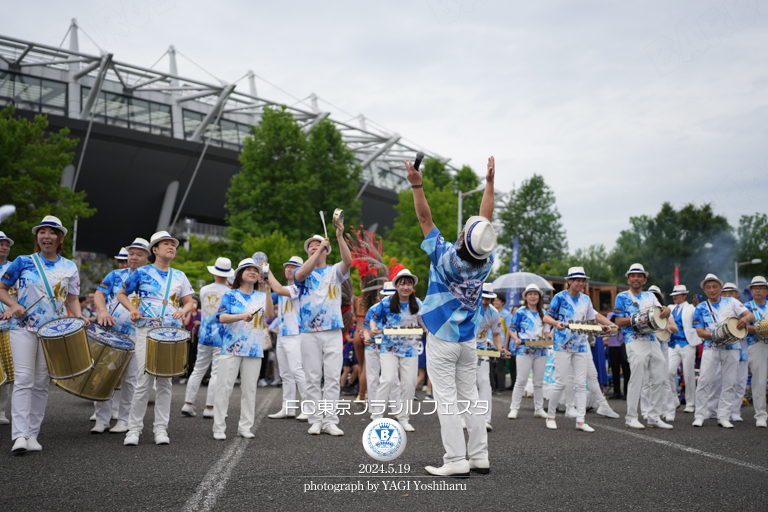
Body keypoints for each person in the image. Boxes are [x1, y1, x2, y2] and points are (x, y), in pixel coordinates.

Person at [406, 155, 496, 477]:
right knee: (470, 396)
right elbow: (485, 223)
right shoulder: (486, 262)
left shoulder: (444, 256)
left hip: (442, 339)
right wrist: (489, 184)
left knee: (446, 400)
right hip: (468, 338)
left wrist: (417, 184)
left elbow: (424, 218)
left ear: (461, 239)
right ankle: (479, 457)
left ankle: (456, 461)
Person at [0, 216, 89, 453]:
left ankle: (32, 434)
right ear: (37, 236)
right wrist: (13, 305)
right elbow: (2, 288)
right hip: (22, 328)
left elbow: (72, 298)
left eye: (52, 233)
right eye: (42, 232)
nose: (46, 237)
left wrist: (78, 315)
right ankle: (19, 436)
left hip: (53, 331)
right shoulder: (23, 261)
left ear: (60, 238)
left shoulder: (69, 266)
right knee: (24, 380)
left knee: (41, 383)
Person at [117, 231, 196, 446]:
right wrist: (133, 309)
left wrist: (184, 310)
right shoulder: (141, 272)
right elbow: (121, 294)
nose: (171, 247)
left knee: (165, 381)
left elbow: (189, 301)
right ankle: (133, 430)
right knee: (144, 379)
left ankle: (161, 429)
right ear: (155, 250)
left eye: (173, 244)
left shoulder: (179, 275)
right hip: (146, 330)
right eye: (166, 244)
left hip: (171, 332)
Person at [291, 221, 352, 436]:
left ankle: (330, 421)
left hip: (333, 330)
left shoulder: (335, 271)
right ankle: (315, 419)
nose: (314, 247)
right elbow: (299, 275)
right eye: (311, 246)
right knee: (312, 377)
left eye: (318, 245)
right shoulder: (302, 271)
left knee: (333, 377)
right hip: (308, 331)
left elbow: (348, 261)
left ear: (327, 249)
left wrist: (339, 237)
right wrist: (317, 255)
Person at [543, 267, 615, 433]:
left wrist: (603, 328)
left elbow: (591, 322)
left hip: (581, 345)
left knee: (581, 384)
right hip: (561, 345)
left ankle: (581, 421)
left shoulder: (586, 299)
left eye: (583, 280)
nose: (580, 283)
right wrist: (556, 324)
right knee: (561, 382)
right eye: (577, 280)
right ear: (569, 281)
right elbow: (546, 317)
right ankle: (551, 416)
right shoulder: (560, 297)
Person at [92, 237, 150, 434]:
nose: (133, 257)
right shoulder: (116, 275)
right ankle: (101, 419)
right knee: (104, 375)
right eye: (131, 253)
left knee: (130, 379)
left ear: (148, 257)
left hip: (137, 334)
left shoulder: (152, 278)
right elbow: (99, 294)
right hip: (111, 332)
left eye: (139, 254)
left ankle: (124, 419)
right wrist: (102, 311)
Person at [212, 258, 273, 440]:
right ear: (239, 274)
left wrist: (268, 290)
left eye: (255, 270)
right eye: (248, 269)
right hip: (230, 348)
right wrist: (240, 316)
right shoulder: (230, 295)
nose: (252, 272)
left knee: (250, 390)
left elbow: (269, 314)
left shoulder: (261, 297)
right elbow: (222, 318)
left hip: (254, 349)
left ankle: (245, 427)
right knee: (224, 388)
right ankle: (218, 427)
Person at [614, 264, 676, 430]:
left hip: (652, 338)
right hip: (633, 339)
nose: (636, 278)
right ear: (628, 279)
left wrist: (666, 310)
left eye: (639, 276)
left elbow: (660, 311)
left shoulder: (650, 296)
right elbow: (619, 322)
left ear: (644, 279)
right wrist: (638, 318)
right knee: (637, 378)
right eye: (633, 276)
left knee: (660, 377)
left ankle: (654, 417)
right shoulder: (622, 297)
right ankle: (631, 417)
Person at [692, 273, 754, 428]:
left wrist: (745, 319)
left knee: (730, 382)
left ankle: (724, 416)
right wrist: (717, 335)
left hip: (733, 347)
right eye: (708, 287)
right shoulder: (700, 307)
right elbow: (699, 332)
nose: (712, 290)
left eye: (714, 286)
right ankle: (699, 416)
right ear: (705, 290)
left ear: (720, 288)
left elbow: (750, 315)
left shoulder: (731, 301)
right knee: (705, 380)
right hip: (710, 348)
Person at [367, 269, 424, 432]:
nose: (406, 287)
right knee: (388, 379)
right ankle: (377, 416)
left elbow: (422, 321)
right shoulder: (385, 303)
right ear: (397, 286)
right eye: (402, 283)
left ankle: (403, 418)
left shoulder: (418, 304)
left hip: (410, 350)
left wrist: (430, 332)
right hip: (389, 348)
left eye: (409, 284)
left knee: (409, 384)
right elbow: (374, 319)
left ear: (412, 286)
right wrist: (373, 329)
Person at [181, 257, 234, 419]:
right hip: (221, 336)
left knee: (198, 370)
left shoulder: (204, 289)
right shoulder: (230, 292)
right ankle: (209, 407)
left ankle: (188, 404)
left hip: (204, 335)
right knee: (217, 372)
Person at [267, 256, 308, 420]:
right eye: (287, 267)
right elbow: (268, 311)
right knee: (285, 374)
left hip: (296, 335)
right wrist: (266, 290)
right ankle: (288, 408)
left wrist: (267, 271)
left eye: (293, 267)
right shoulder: (282, 288)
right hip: (283, 335)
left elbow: (278, 290)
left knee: (297, 371)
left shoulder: (300, 287)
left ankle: (309, 407)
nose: (289, 269)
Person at [508, 284, 550, 420]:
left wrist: (551, 338)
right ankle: (514, 409)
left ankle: (539, 409)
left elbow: (548, 332)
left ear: (539, 297)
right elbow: (511, 330)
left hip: (541, 351)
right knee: (521, 380)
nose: (533, 297)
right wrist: (516, 339)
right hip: (524, 350)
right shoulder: (520, 312)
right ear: (525, 297)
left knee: (538, 382)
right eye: (530, 294)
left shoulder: (544, 313)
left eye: (535, 294)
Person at [361, 282, 402, 415]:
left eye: (392, 295)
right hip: (373, 348)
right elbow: (366, 328)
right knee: (373, 379)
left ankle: (397, 411)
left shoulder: (401, 309)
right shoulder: (374, 308)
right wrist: (367, 337)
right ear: (382, 295)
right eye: (386, 295)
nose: (389, 298)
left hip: (390, 349)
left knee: (394, 379)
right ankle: (374, 410)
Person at [639, 285, 677, 422]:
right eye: (651, 295)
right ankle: (646, 410)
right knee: (646, 379)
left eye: (656, 295)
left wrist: (668, 326)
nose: (654, 297)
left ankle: (668, 411)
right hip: (647, 345)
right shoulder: (644, 312)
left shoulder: (665, 312)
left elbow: (676, 329)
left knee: (664, 379)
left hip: (662, 346)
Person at [470, 283, 503, 431]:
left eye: (488, 299)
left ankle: (484, 419)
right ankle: (465, 417)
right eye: (483, 297)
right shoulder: (469, 308)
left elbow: (496, 334)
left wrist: (500, 349)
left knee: (484, 382)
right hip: (465, 350)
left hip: (483, 351)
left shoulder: (494, 312)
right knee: (465, 384)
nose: (485, 301)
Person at [666, 284, 701, 416]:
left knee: (688, 374)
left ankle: (691, 403)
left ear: (685, 296)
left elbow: (699, 315)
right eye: (673, 295)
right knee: (668, 372)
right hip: (673, 344)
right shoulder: (670, 308)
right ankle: (674, 400)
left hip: (687, 343)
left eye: (677, 294)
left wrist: (697, 306)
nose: (675, 297)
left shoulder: (691, 308)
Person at [745, 276, 768, 428]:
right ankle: (760, 415)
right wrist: (761, 330)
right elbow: (743, 326)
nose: (757, 290)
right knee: (759, 381)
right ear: (751, 291)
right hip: (757, 344)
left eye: (761, 287)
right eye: (754, 288)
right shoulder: (745, 306)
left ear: (766, 290)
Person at [0, 231, 15, 426]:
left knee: (7, 372)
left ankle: (1, 411)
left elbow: (23, 293)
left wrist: (13, 307)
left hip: (8, 326)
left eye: (6, 244)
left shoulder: (14, 268)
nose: (4, 247)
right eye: (0, 244)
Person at [605, 312, 630, 399]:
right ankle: (616, 392)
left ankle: (627, 392)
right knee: (614, 369)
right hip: (613, 345)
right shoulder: (610, 315)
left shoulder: (626, 315)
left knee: (626, 369)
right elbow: (608, 326)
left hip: (624, 344)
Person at [491, 294, 512, 394]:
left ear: (502, 302)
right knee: (490, 367)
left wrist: (506, 344)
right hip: (489, 343)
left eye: (497, 300)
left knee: (500, 367)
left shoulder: (506, 314)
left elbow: (508, 330)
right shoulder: (490, 312)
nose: (495, 302)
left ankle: (501, 388)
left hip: (501, 343)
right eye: (494, 300)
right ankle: (492, 387)